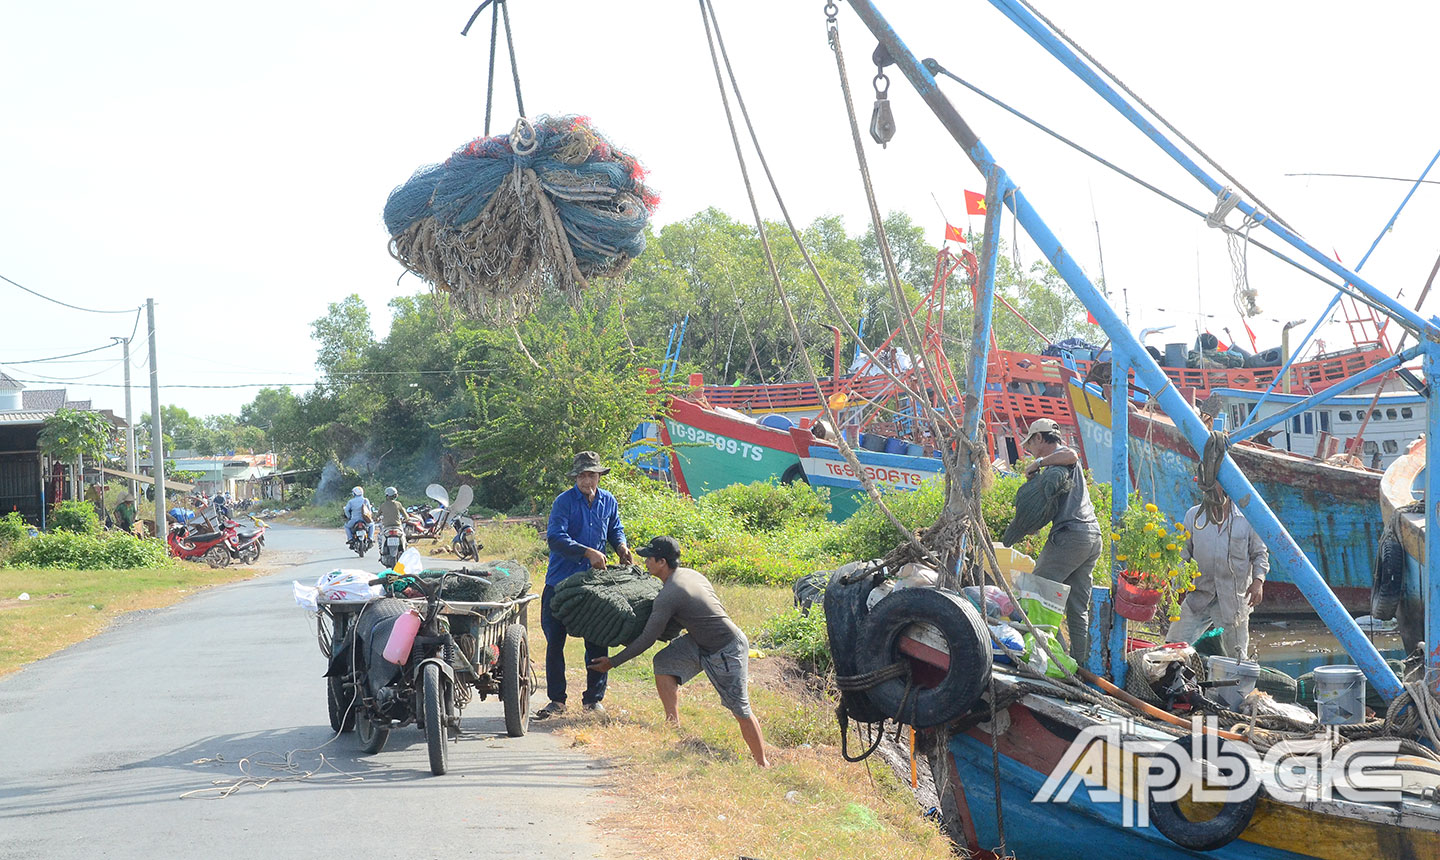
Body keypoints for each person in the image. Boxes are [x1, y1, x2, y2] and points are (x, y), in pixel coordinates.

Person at [588, 536, 769, 767]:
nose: (645, 563)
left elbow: (647, 639)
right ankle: (672, 725)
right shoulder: (689, 574)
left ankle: (762, 763)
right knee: (664, 662)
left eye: (649, 558)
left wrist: (612, 662)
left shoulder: (670, 593)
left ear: (662, 562)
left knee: (740, 709)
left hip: (726, 649)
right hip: (699, 642)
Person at [535, 451, 633, 719]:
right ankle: (557, 700)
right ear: (575, 477)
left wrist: (621, 547)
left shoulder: (608, 500)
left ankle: (593, 700)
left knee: (598, 639)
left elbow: (615, 528)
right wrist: (586, 552)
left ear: (599, 475)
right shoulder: (563, 502)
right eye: (582, 475)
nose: (587, 480)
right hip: (560, 582)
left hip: (592, 584)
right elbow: (556, 538)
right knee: (555, 642)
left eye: (592, 474)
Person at [1021, 417, 1102, 661]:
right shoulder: (1055, 469)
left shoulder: (1061, 458)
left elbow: (1071, 454)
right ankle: (1081, 665)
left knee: (1035, 594)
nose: (1031, 450)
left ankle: (1051, 658)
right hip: (1091, 536)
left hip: (1071, 535)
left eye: (1031, 445)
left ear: (1039, 438)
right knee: (1077, 609)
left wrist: (1038, 462)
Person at [1166, 486, 1268, 659]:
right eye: (1208, 489)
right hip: (1199, 595)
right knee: (1172, 648)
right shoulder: (1194, 516)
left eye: (1216, 488)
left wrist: (1258, 581)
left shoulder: (1246, 519)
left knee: (1237, 658)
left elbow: (1259, 554)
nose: (1211, 493)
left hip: (1233, 600)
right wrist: (1174, 587)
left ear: (1228, 489)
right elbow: (1182, 555)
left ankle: (1237, 686)